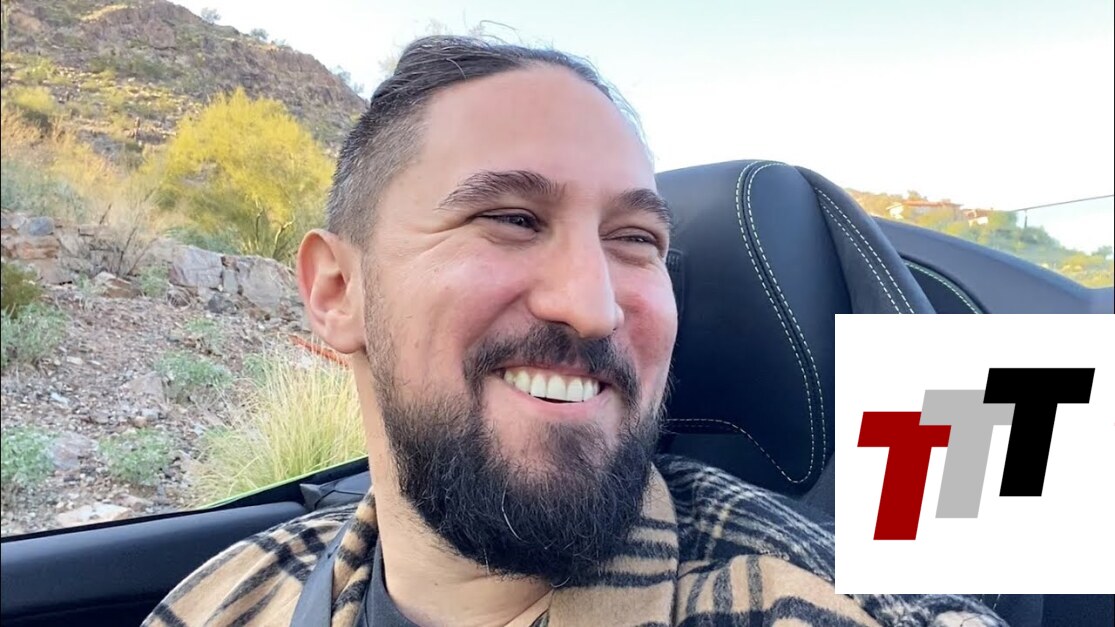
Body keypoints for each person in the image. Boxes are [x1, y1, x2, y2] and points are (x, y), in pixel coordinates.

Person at [143, 36, 1006, 627]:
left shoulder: (813, 605)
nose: (593, 307)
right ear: (337, 291)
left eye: (635, 240)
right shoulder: (226, 599)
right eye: (511, 218)